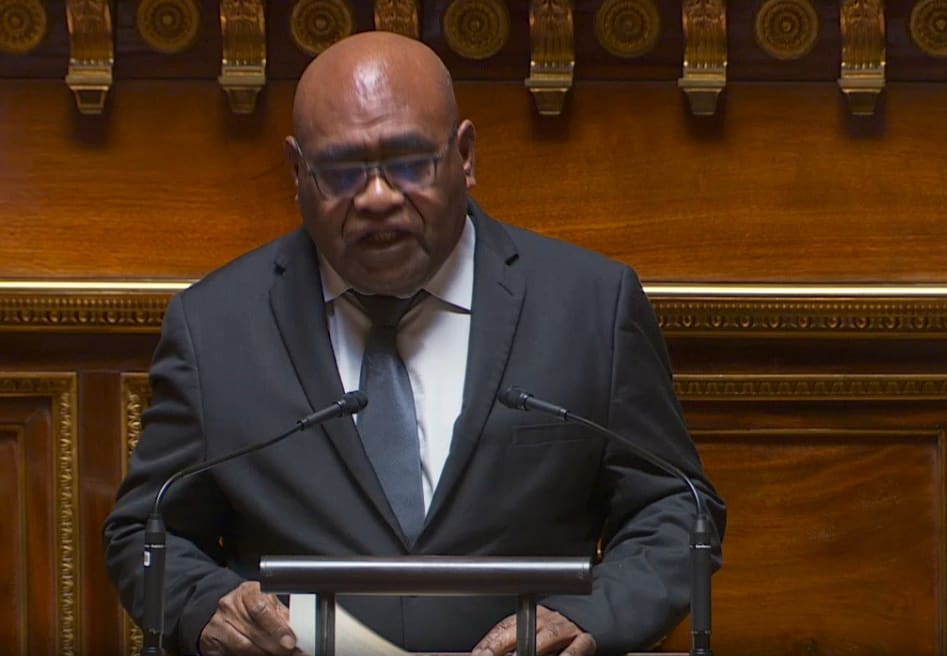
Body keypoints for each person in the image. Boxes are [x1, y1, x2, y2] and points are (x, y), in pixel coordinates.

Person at [104, 31, 726, 656]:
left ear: (465, 156)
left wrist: (593, 619)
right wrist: (206, 607)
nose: (377, 198)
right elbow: (145, 532)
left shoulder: (590, 305)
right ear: (298, 172)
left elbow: (675, 511)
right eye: (343, 171)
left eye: (407, 162)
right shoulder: (216, 327)